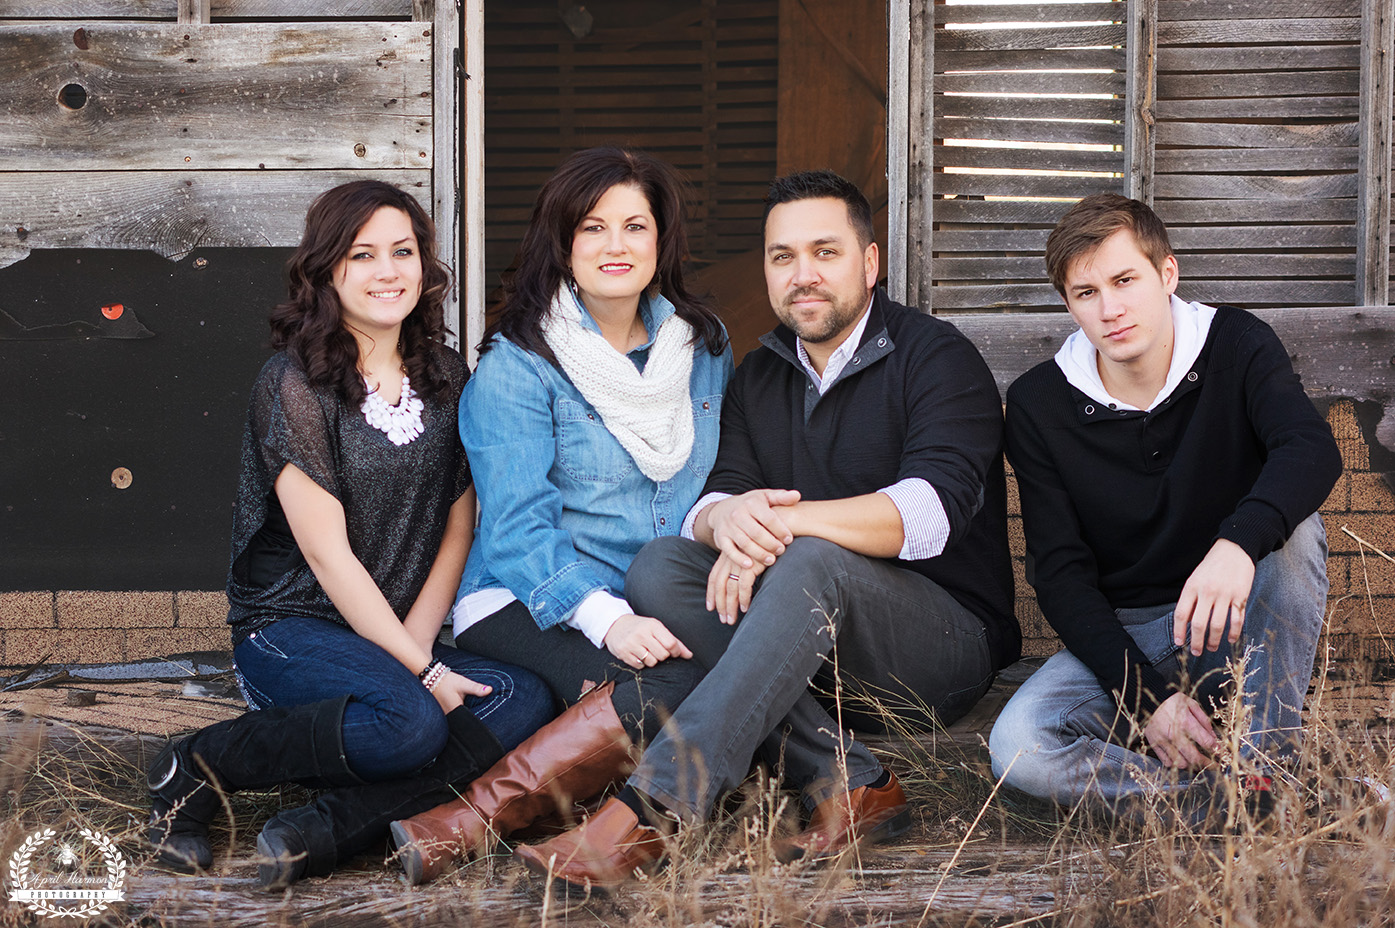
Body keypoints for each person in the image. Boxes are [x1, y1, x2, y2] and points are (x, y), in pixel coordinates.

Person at [512, 169, 1019, 890]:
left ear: (869, 263)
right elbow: (710, 503)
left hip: (939, 648)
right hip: (809, 643)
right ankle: (854, 782)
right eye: (782, 257)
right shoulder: (759, 375)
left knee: (811, 559)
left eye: (824, 252)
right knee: (660, 564)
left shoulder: (936, 358)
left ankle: (653, 809)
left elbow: (928, 514)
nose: (801, 275)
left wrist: (778, 526)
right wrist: (726, 519)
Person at [146, 181, 552, 888]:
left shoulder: (447, 376)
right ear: (328, 270)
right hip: (291, 628)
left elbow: (459, 526)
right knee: (410, 725)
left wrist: (419, 647)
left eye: (403, 251)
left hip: (393, 637)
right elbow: (325, 557)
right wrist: (421, 674)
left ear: (426, 267)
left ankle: (326, 826)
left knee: (523, 698)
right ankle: (196, 766)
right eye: (362, 255)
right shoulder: (295, 383)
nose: (387, 271)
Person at [387, 147, 732, 884]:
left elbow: (718, 476)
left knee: (733, 670)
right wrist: (608, 620)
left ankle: (616, 831)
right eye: (592, 228)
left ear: (660, 239)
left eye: (634, 226)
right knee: (683, 686)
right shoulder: (519, 365)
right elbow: (514, 531)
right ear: (562, 244)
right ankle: (467, 826)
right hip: (529, 595)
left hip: (658, 591)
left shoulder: (703, 348)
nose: (616, 246)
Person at [988, 193, 1342, 821]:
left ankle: (1265, 764)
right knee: (1020, 748)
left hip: (1237, 618)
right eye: (1086, 293)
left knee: (1293, 534)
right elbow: (1061, 574)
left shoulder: (1234, 344)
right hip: (1128, 638)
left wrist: (1236, 545)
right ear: (1069, 305)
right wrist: (1145, 699)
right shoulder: (1041, 404)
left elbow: (1310, 449)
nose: (1110, 309)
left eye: (1125, 280)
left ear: (1167, 274)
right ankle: (1251, 807)